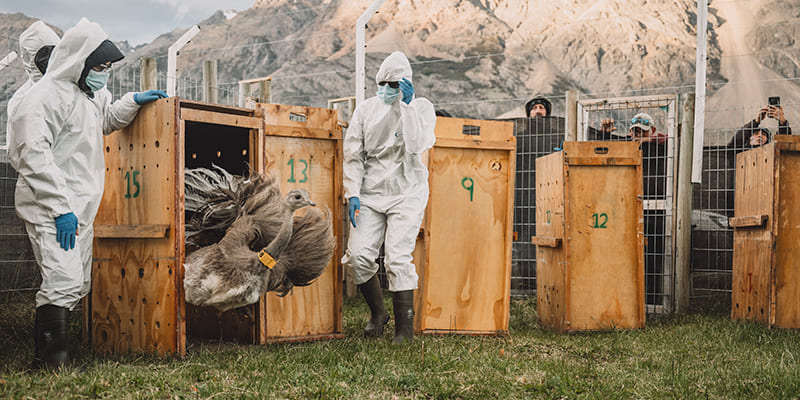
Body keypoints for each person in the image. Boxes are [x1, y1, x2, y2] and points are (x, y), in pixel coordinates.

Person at [8, 18, 168, 369]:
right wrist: (60, 207)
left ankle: (59, 354)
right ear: (78, 60)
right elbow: (30, 154)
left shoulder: (87, 93)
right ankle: (51, 364)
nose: (103, 72)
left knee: (77, 281)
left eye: (107, 67)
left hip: (80, 207)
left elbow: (104, 120)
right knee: (62, 278)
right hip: (51, 207)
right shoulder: (42, 98)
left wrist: (132, 102)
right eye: (99, 66)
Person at [341, 51, 436, 344]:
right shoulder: (366, 110)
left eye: (393, 84)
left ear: (406, 84)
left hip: (407, 191)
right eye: (382, 83)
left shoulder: (421, 108)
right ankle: (378, 313)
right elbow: (353, 153)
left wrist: (407, 107)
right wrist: (353, 192)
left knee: (397, 257)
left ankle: (404, 333)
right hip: (370, 192)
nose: (386, 89)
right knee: (357, 256)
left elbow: (419, 144)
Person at [7, 21, 60, 117]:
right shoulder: (21, 102)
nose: (50, 62)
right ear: (29, 58)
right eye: (45, 56)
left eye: (54, 54)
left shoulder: (72, 87)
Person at [727, 104, 792, 151]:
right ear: (749, 138)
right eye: (755, 133)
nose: (760, 135)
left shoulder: (771, 154)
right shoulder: (739, 153)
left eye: (764, 135)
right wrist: (756, 121)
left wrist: (782, 122)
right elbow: (737, 139)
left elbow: (783, 142)